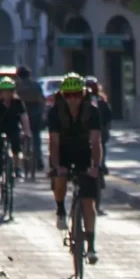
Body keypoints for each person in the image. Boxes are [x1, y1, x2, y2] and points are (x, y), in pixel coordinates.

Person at [47, 72, 102, 264]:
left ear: (83, 94)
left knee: (88, 201)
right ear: (62, 96)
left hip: (83, 152)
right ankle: (60, 210)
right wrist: (57, 166)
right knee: (60, 177)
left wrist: (96, 166)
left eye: (77, 95)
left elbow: (96, 142)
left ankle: (91, 246)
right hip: (63, 151)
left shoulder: (92, 111)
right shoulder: (55, 112)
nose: (73, 99)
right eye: (68, 95)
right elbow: (53, 142)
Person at [0, 76, 31, 205]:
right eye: (5, 91)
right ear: (0, 92)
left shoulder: (17, 102)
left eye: (10, 91)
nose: (7, 94)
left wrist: (27, 131)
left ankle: (16, 168)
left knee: (16, 144)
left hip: (12, 129)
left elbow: (24, 118)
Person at [85, 76, 113, 211]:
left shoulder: (99, 101)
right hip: (93, 137)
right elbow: (109, 119)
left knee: (98, 161)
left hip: (96, 137)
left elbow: (108, 118)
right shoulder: (98, 101)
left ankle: (99, 173)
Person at [15, 65, 45, 170]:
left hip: (21, 113)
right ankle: (38, 159)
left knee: (19, 134)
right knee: (36, 136)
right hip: (35, 112)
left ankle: (22, 156)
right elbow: (42, 99)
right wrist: (43, 112)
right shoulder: (36, 85)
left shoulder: (17, 86)